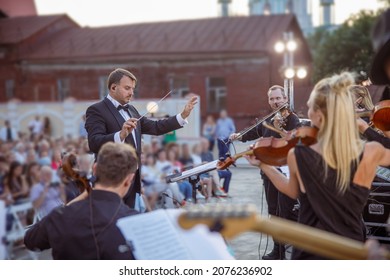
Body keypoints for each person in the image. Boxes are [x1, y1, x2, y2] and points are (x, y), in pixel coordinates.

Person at [245, 72, 390, 259]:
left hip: (310, 250)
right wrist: (368, 126)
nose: (307, 109)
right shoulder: (370, 152)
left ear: (319, 115)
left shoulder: (299, 153)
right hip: (351, 247)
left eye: (310, 106)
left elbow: (293, 190)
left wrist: (264, 166)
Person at [85, 68, 197, 209]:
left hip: (133, 178)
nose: (131, 93)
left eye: (133, 89)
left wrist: (183, 116)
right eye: (127, 88)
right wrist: (120, 135)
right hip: (111, 180)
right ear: (113, 87)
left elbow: (156, 127)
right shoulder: (96, 110)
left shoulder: (132, 110)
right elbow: (94, 142)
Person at [24, 142, 139, 259]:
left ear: (95, 169)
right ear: (129, 179)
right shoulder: (136, 222)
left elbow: (31, 240)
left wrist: (69, 206)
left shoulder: (61, 217)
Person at [230, 85, 300, 260]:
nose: (275, 102)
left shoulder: (292, 119)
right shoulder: (267, 121)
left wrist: (280, 129)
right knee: (274, 212)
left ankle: (297, 247)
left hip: (285, 173)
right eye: (272, 99)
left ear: (285, 99)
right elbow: (252, 132)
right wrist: (238, 135)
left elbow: (295, 141)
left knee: (286, 213)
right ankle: (278, 251)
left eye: (278, 98)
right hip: (269, 172)